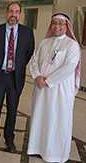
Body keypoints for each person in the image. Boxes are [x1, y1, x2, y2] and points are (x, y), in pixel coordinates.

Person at [27, 13, 81, 163]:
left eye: (61, 24)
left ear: (66, 26)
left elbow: (69, 67)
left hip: (60, 91)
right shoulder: (44, 43)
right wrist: (37, 76)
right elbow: (34, 61)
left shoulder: (72, 45)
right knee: (41, 117)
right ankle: (38, 147)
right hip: (41, 89)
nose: (57, 26)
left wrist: (48, 81)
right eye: (54, 23)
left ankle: (55, 153)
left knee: (57, 119)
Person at [0, 2, 35, 153]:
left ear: (20, 14)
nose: (13, 14)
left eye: (16, 11)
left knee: (13, 110)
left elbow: (29, 52)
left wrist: (18, 65)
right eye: (11, 11)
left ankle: (9, 139)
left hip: (16, 77)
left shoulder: (27, 32)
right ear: (6, 13)